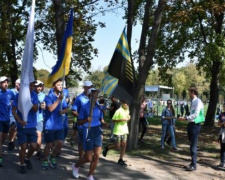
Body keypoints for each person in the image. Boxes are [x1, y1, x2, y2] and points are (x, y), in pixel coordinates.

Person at [72, 88, 106, 180]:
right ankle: (75, 166)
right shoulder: (85, 107)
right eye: (94, 94)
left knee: (97, 155)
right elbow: (79, 122)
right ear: (89, 95)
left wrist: (103, 122)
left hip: (97, 130)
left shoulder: (99, 106)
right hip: (87, 130)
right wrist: (86, 120)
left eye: (96, 94)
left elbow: (100, 118)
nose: (96, 96)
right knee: (88, 158)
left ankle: (90, 175)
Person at [12, 81, 38, 174]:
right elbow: (14, 111)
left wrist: (28, 101)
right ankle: (22, 164)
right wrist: (19, 121)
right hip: (22, 126)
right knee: (23, 146)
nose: (32, 87)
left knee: (34, 146)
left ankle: (27, 158)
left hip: (32, 125)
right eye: (30, 85)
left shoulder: (34, 95)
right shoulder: (18, 95)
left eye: (33, 86)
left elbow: (36, 108)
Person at [42, 78, 68, 170]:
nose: (60, 86)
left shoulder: (62, 97)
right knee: (49, 145)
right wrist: (58, 100)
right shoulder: (48, 97)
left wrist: (63, 111)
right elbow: (50, 109)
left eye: (61, 85)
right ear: (53, 86)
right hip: (50, 125)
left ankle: (52, 157)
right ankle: (45, 159)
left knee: (60, 143)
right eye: (58, 85)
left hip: (59, 125)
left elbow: (66, 108)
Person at [179, 87, 204, 171]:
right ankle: (192, 162)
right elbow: (192, 113)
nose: (188, 93)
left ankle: (194, 165)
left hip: (195, 125)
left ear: (193, 92)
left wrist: (186, 118)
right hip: (190, 124)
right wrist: (187, 118)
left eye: (189, 92)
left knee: (193, 145)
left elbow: (196, 114)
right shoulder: (192, 101)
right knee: (191, 144)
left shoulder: (198, 102)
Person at [102, 100, 130, 166]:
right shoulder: (118, 111)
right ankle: (107, 148)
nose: (127, 105)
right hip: (118, 130)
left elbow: (128, 116)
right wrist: (121, 120)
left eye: (128, 104)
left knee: (124, 145)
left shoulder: (127, 110)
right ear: (122, 103)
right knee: (117, 146)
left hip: (125, 130)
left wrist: (129, 117)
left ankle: (121, 159)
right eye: (126, 103)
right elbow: (113, 120)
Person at [71, 81, 93, 161]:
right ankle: (81, 158)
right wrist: (82, 118)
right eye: (87, 87)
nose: (89, 88)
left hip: (92, 125)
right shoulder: (79, 98)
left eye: (91, 87)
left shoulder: (94, 99)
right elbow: (73, 111)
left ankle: (87, 157)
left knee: (89, 142)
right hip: (82, 125)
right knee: (81, 142)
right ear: (84, 87)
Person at [0, 76, 15, 166]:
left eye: (7, 82)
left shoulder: (10, 92)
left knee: (4, 137)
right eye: (4, 82)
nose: (6, 84)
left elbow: (16, 100)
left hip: (7, 118)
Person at [34, 80, 46, 159]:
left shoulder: (43, 95)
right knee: (32, 135)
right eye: (37, 86)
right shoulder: (30, 94)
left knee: (39, 134)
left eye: (40, 86)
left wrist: (44, 106)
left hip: (39, 118)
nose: (39, 88)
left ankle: (38, 151)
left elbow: (44, 107)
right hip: (30, 118)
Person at [8, 78, 20, 150]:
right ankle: (10, 140)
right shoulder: (10, 92)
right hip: (10, 113)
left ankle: (11, 141)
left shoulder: (22, 93)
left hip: (18, 113)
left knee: (15, 128)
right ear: (16, 84)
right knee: (12, 128)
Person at [218, 103, 225, 168]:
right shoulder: (222, 114)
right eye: (224, 106)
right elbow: (218, 123)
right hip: (222, 132)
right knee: (222, 148)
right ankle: (222, 162)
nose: (224, 107)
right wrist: (222, 123)